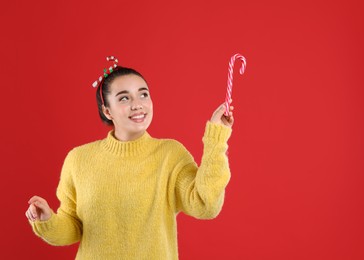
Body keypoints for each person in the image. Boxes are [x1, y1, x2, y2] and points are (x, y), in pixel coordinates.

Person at [25, 56, 234, 259]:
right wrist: (47, 220)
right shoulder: (78, 159)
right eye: (124, 98)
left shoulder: (170, 154)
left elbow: (205, 205)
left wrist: (216, 138)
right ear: (107, 111)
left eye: (143, 94)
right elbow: (72, 227)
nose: (138, 104)